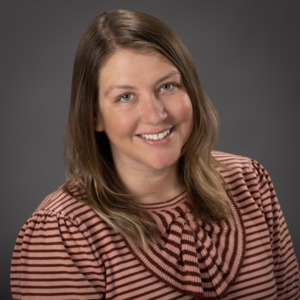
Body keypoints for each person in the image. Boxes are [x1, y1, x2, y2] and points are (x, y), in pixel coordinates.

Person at [10, 9, 299, 300]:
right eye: (126, 96)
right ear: (94, 116)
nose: (156, 114)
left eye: (167, 86)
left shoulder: (250, 181)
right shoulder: (63, 232)